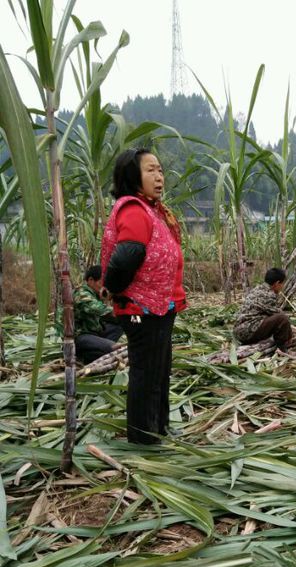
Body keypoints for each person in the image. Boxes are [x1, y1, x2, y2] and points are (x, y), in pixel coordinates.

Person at [101, 148, 187, 444]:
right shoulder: (135, 211)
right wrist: (115, 290)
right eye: (150, 170)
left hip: (160, 308)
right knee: (146, 374)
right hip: (142, 310)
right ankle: (142, 438)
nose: (159, 176)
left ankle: (159, 428)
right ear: (131, 175)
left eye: (160, 169)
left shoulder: (152, 211)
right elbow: (126, 258)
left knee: (159, 372)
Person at [72, 265, 123, 365]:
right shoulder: (81, 293)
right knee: (114, 347)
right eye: (102, 282)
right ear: (91, 280)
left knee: (121, 324)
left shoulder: (95, 294)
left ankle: (95, 353)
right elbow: (98, 309)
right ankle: (90, 355)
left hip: (95, 333)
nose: (104, 286)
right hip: (81, 336)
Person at [233, 267, 292, 351]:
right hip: (246, 332)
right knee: (282, 318)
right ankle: (281, 349)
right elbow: (280, 316)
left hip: (240, 330)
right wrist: (289, 335)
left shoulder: (258, 289)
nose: (282, 287)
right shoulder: (268, 295)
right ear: (277, 283)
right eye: (282, 284)